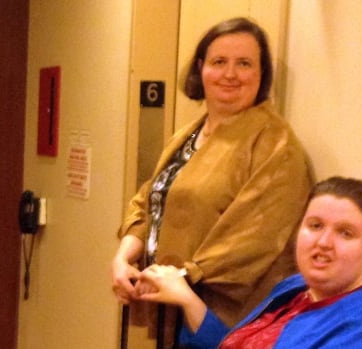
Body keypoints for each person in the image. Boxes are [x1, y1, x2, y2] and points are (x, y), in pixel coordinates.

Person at [111, 17, 313, 346]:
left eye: (244, 63)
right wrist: (123, 259)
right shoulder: (187, 135)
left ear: (261, 75)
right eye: (219, 62)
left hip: (222, 316)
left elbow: (255, 238)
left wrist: (185, 275)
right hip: (169, 304)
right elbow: (149, 201)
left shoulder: (276, 144)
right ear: (201, 69)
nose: (230, 74)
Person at [133, 176, 362, 348]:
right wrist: (186, 298)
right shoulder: (300, 288)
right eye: (315, 226)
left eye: (345, 233)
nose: (323, 243)